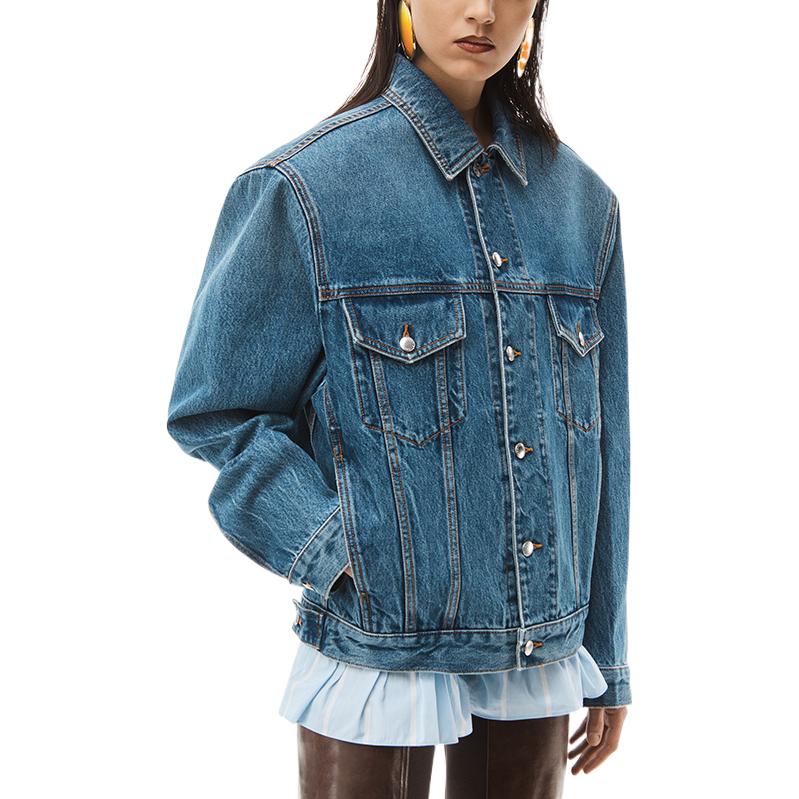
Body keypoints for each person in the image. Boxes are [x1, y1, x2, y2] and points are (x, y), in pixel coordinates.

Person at [166, 0, 632, 796]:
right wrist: (339, 551)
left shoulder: (582, 205)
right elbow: (218, 412)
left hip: (538, 645)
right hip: (378, 643)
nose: (481, 11)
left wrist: (607, 655)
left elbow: (603, 452)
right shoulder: (306, 188)